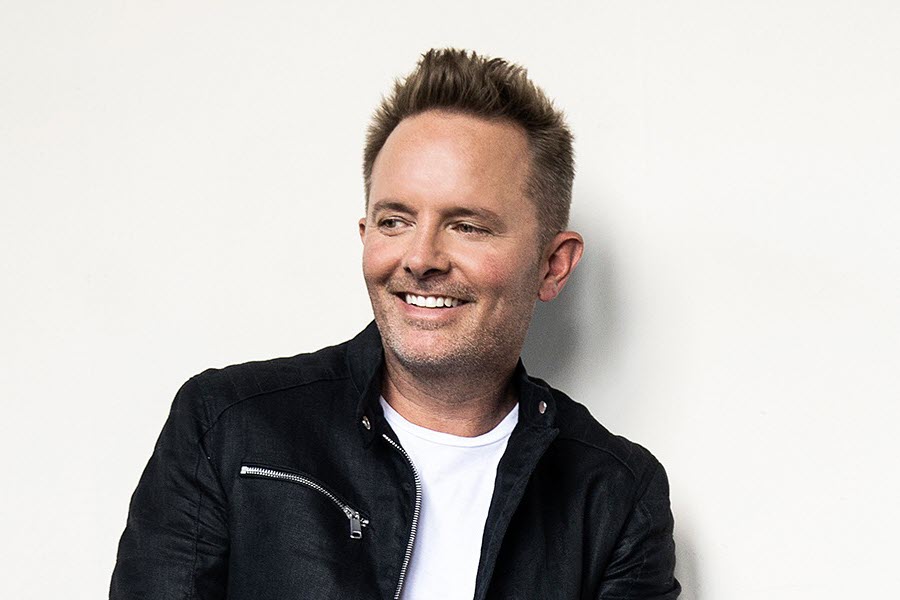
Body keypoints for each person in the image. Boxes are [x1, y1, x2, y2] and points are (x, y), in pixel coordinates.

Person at [110, 48, 680, 599]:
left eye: (467, 226)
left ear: (553, 265)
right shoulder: (226, 426)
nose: (420, 257)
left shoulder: (616, 496)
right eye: (395, 221)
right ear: (365, 237)